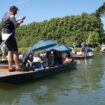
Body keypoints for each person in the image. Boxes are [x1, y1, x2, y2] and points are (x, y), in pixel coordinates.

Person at [1, 6, 25, 71]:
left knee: (9, 51)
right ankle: (18, 67)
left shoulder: (5, 14)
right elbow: (16, 25)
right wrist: (21, 21)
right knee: (15, 51)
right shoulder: (12, 16)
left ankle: (10, 67)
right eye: (16, 11)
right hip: (10, 35)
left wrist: (20, 18)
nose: (16, 12)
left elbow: (10, 20)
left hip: (4, 35)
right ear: (13, 10)